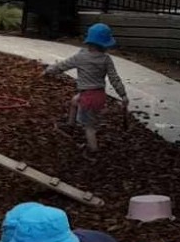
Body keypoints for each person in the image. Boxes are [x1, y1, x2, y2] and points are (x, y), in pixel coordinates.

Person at [43, 22, 128, 154]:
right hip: (99, 96)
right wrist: (123, 95)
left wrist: (48, 71)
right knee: (74, 101)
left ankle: (93, 150)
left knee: (89, 128)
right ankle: (70, 126)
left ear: (89, 41)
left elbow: (62, 66)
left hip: (88, 98)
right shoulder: (106, 59)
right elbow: (114, 78)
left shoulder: (80, 57)